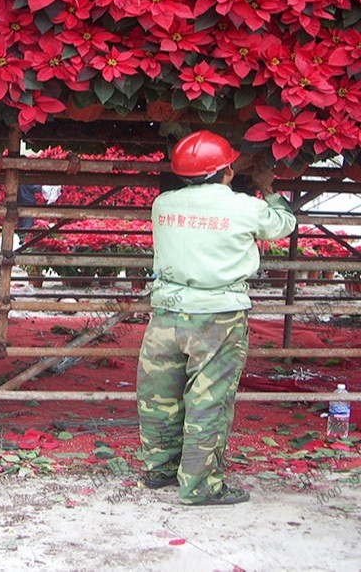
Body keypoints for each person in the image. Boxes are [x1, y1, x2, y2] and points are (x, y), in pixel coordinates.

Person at [138, 131, 296, 506]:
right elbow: (283, 225)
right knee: (208, 399)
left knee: (158, 394)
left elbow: (202, 193)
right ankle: (201, 486)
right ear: (227, 170)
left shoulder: (163, 204)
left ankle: (160, 469)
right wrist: (267, 187)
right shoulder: (246, 207)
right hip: (218, 316)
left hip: (166, 312)